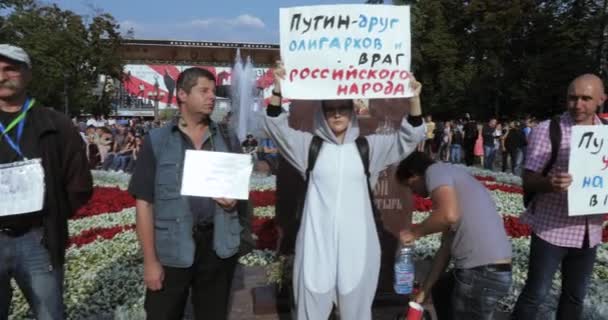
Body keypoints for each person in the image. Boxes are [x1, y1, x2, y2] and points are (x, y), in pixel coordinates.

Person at [264, 61, 426, 320]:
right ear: (322, 113)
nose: (337, 114)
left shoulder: (367, 149)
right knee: (310, 310)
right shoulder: (309, 147)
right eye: (330, 110)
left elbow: (408, 137)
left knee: (356, 312)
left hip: (358, 246)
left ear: (352, 111)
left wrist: (414, 99)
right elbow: (275, 126)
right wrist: (277, 91)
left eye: (342, 108)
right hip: (316, 245)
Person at [128, 67, 253, 320]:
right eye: (204, 91)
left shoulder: (228, 139)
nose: (212, 97)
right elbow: (144, 204)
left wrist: (233, 205)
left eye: (214, 91)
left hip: (218, 248)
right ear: (182, 94)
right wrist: (150, 262)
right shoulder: (157, 140)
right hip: (172, 250)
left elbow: (241, 192)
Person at [0, 44, 93, 319]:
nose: (2, 76)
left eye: (11, 69)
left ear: (27, 75)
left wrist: (50, 217)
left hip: (36, 238)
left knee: (50, 314)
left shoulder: (56, 123)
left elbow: (79, 183)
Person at [511, 74, 607, 320]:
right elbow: (528, 178)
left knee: (575, 296)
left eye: (586, 98)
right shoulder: (549, 129)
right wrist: (549, 183)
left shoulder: (605, 135)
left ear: (601, 100)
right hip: (552, 230)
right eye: (572, 98)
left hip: (589, 232)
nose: (578, 105)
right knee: (536, 293)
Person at [397, 151, 512, 320]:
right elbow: (446, 249)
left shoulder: (435, 171)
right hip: (490, 270)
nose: (413, 192)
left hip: (480, 272)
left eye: (410, 185)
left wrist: (414, 233)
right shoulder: (453, 180)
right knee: (442, 289)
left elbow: (448, 215)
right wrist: (424, 291)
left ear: (414, 175)